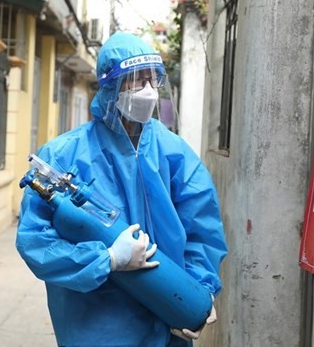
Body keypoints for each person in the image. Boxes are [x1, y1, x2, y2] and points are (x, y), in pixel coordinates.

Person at [16, 32, 227, 346]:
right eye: (135, 80)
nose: (148, 90)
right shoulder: (64, 154)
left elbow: (202, 228)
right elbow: (35, 242)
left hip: (166, 318)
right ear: (110, 86)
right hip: (95, 326)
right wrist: (108, 259)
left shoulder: (174, 152)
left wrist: (200, 291)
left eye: (153, 80)